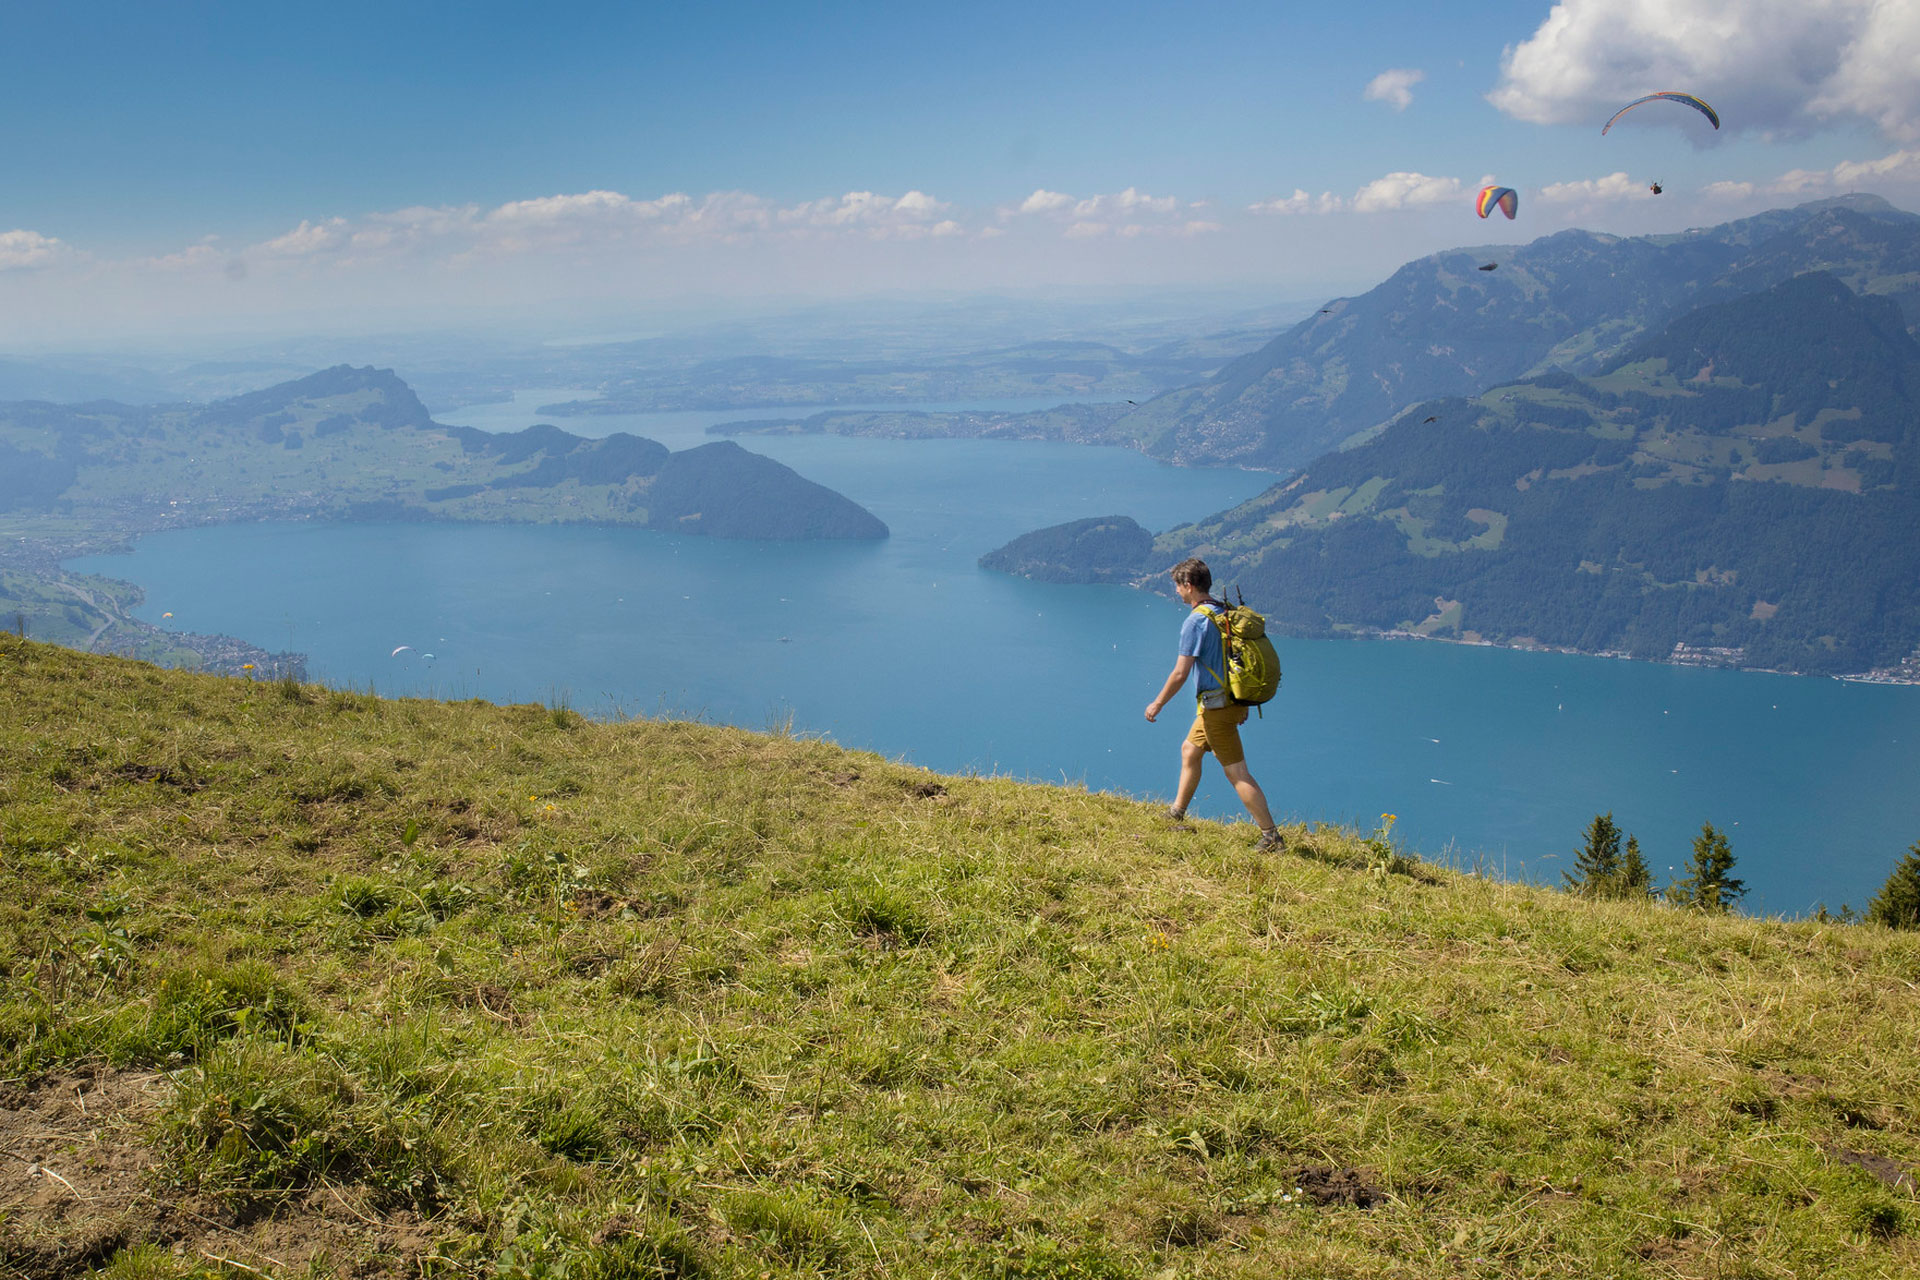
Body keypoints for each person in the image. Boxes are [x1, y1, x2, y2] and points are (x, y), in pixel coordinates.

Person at [1144, 557, 1283, 851]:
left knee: (1237, 773)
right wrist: (1241, 703)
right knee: (1190, 750)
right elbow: (1233, 663)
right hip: (1226, 703)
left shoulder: (1196, 621)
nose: (1177, 593)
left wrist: (1158, 703)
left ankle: (1271, 837)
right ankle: (1177, 811)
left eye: (1178, 587)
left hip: (1217, 709)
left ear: (1189, 585)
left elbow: (1181, 672)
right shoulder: (1223, 611)